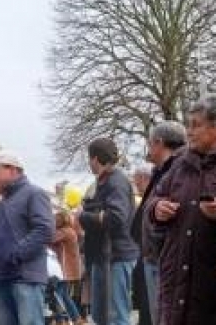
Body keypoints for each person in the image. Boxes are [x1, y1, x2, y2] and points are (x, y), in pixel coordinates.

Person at [147, 94, 216, 325]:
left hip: (215, 285)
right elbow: (155, 198)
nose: (188, 132)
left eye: (196, 125)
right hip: (175, 279)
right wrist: (156, 209)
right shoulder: (181, 163)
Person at [0, 153, 54, 325]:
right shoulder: (5, 200)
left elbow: (45, 229)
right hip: (4, 276)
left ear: (13, 170)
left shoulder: (34, 193)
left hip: (25, 277)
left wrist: (15, 254)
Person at [79, 138, 139, 325]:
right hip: (104, 256)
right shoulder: (106, 181)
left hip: (115, 256)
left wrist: (84, 216)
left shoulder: (116, 181)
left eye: (90, 159)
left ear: (95, 158)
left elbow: (116, 218)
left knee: (116, 316)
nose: (89, 163)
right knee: (102, 317)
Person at [132, 121, 184, 325]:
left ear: (159, 143)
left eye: (149, 144)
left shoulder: (176, 170)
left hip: (163, 257)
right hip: (154, 255)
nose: (148, 149)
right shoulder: (161, 171)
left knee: (164, 316)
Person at [50, 211, 84, 325]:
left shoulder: (64, 232)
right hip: (68, 269)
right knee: (64, 295)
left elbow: (50, 239)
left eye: (56, 219)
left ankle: (63, 319)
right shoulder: (70, 231)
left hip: (65, 269)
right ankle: (75, 318)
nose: (54, 221)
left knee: (59, 294)